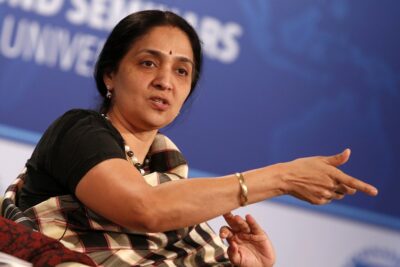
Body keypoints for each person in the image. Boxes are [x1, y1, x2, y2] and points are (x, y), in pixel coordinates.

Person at [3, 10, 377, 267]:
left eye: (182, 71)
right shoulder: (78, 130)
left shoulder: (176, 192)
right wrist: (282, 177)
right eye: (148, 63)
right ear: (110, 75)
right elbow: (144, 209)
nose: (165, 81)